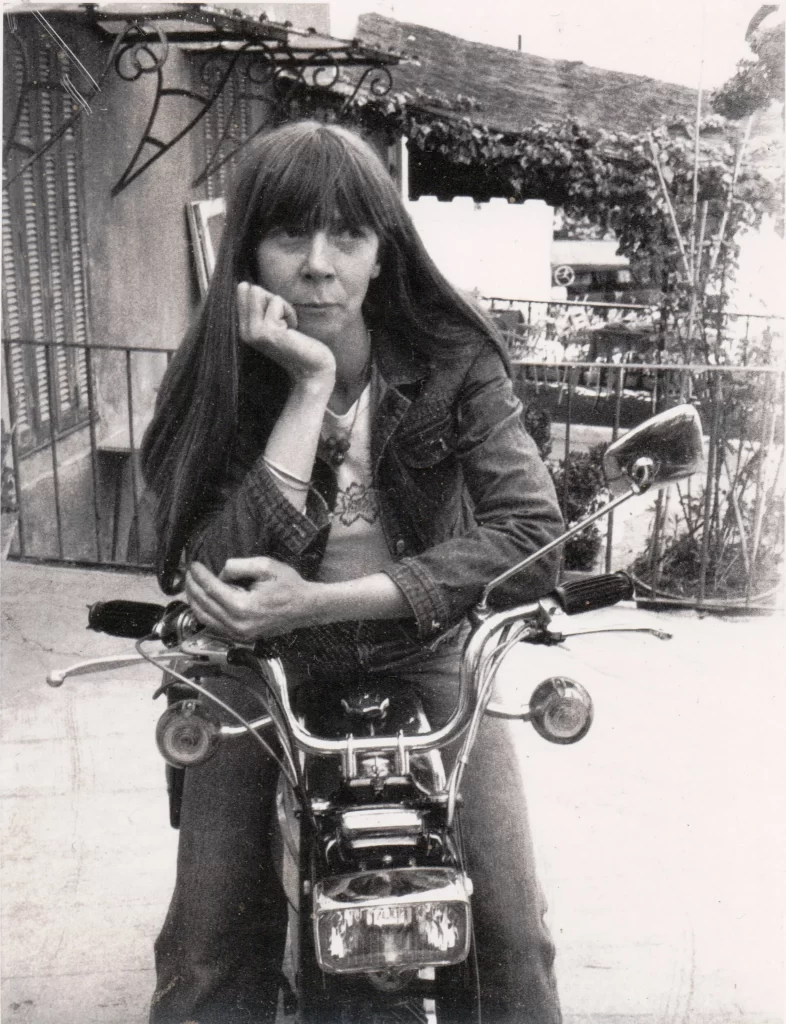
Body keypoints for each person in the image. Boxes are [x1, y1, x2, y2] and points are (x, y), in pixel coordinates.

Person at [140, 120, 565, 1024]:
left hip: (425, 650)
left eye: (348, 236)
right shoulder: (219, 367)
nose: (319, 264)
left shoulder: (454, 357)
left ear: (384, 252)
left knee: (512, 934)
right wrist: (304, 388)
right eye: (291, 234)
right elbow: (208, 572)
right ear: (250, 246)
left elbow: (531, 534)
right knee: (209, 948)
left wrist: (325, 600)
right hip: (258, 667)